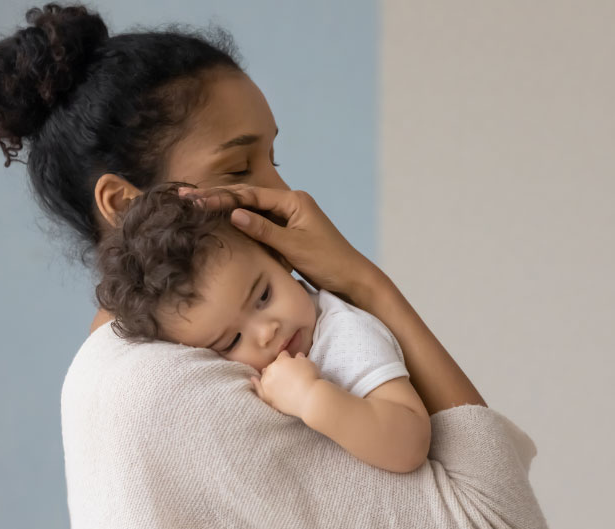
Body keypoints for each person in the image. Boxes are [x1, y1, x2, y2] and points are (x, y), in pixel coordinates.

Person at [0, 4, 554, 529]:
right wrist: (366, 284)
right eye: (239, 169)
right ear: (126, 205)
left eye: (274, 158)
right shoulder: (175, 394)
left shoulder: (127, 367)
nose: (288, 195)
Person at [94, 184, 431, 475]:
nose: (267, 332)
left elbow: (410, 441)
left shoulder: (344, 335)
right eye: (233, 340)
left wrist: (312, 398)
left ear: (280, 258)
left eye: (264, 296)